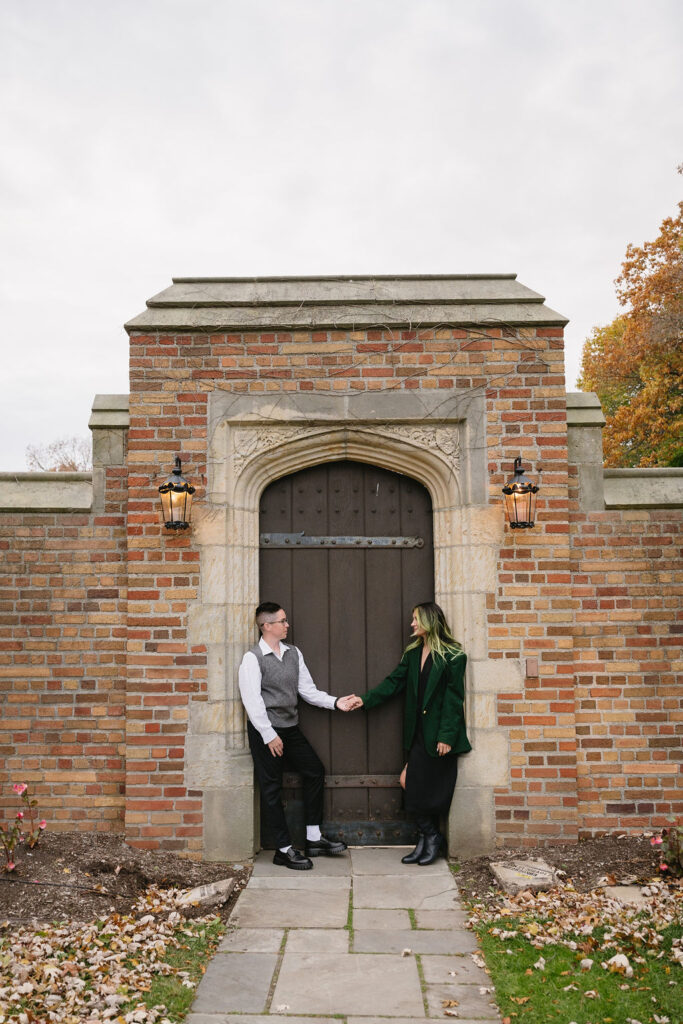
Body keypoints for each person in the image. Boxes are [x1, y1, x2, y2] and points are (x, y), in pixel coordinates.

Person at [347, 602, 470, 865]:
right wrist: (365, 700)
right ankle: (430, 836)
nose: (412, 624)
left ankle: (429, 838)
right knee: (410, 783)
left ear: (429, 621)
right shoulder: (413, 654)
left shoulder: (453, 655)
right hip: (417, 733)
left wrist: (447, 735)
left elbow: (454, 698)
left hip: (438, 736)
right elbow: (393, 683)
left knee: (420, 786)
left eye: (416, 619)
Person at [238, 601, 358, 870]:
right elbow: (252, 701)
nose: (287, 625)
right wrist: (269, 735)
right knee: (271, 788)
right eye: (282, 621)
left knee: (314, 770)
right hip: (264, 731)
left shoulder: (293, 653)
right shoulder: (252, 659)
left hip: (290, 728)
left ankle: (313, 839)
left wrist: (336, 702)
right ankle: (283, 849)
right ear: (266, 626)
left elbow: (308, 690)